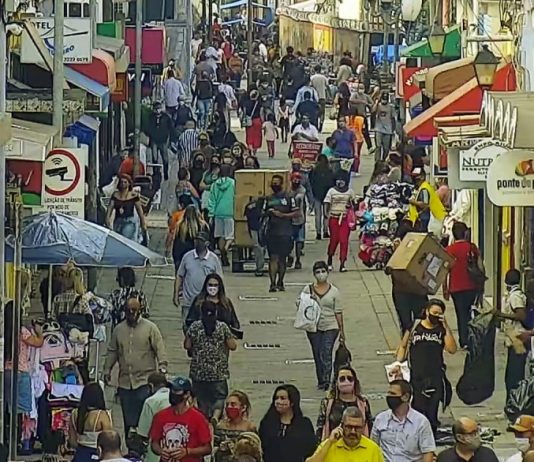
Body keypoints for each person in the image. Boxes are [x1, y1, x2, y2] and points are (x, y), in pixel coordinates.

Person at [103, 297, 168, 438]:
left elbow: (159, 348)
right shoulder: (118, 330)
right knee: (128, 419)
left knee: (143, 417)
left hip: (144, 381)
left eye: (134, 310)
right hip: (125, 382)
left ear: (140, 311)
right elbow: (112, 351)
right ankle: (131, 447)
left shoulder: (150, 328)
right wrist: (107, 369)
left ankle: (143, 445)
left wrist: (162, 366)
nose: (131, 313)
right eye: (128, 311)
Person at [396, 299, 457, 433]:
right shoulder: (415, 326)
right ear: (427, 311)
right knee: (417, 406)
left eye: (439, 314)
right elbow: (403, 345)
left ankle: (431, 433)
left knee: (432, 408)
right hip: (417, 375)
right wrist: (398, 363)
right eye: (434, 312)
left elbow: (452, 349)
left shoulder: (441, 330)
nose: (436, 316)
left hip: (435, 375)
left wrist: (446, 327)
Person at [185, 301, 238, 421]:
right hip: (218, 372)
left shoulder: (194, 327)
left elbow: (187, 345)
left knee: (202, 399)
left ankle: (204, 419)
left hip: (199, 372)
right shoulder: (222, 327)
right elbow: (233, 346)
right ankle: (215, 416)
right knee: (219, 397)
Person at [300, 260, 344, 389]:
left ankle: (326, 380)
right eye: (318, 272)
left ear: (327, 272)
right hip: (313, 326)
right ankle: (321, 379)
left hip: (331, 326)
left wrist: (342, 331)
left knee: (326, 352)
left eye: (323, 271)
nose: (321, 274)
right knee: (317, 353)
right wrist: (309, 300)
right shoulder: (308, 289)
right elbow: (300, 304)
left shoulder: (334, 291)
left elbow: (338, 312)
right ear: (314, 274)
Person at [149, 376, 212, 461]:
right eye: (171, 390)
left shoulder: (198, 418)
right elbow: (154, 443)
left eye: (176, 391)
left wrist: (187, 451)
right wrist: (161, 451)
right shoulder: (160, 416)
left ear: (187, 394)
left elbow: (207, 448)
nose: (172, 393)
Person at [371, 380, 436, 461]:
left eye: (393, 394)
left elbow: (428, 452)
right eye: (388, 393)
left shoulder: (421, 422)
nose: (388, 396)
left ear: (405, 397)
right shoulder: (380, 419)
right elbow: (373, 447)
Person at [443, 221, 484, 349]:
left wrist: (445, 288)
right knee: (471, 312)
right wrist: (481, 284)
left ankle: (464, 340)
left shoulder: (449, 250)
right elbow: (480, 267)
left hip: (456, 287)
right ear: (465, 233)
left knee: (461, 314)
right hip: (472, 286)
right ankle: (473, 336)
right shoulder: (472, 247)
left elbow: (445, 270)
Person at [174, 230, 223, 328]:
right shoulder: (187, 257)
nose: (197, 243)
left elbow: (219, 279)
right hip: (188, 301)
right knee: (187, 327)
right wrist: (175, 294)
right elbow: (180, 276)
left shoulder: (213, 259)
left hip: (206, 302)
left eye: (201, 241)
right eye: (196, 240)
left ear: (207, 243)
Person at [494, 269, 528, 401]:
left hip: (517, 339)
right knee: (513, 374)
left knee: (513, 376)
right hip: (513, 338)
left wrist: (501, 314)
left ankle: (514, 403)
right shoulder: (514, 294)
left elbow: (520, 315)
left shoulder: (515, 296)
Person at [4, 301, 43, 417]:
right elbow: (38, 343)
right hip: (20, 373)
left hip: (6, 372)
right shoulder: (22, 331)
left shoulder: (4, 331)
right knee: (21, 411)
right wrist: (39, 332)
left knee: (7, 407)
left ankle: (7, 433)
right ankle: (17, 433)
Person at [259, 385, 316, 462]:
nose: (278, 402)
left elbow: (310, 449)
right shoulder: (267, 423)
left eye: (283, 398)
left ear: (292, 402)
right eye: (276, 398)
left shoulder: (304, 424)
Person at [263, 174, 299, 292]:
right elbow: (262, 213)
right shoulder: (268, 199)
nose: (275, 185)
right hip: (272, 232)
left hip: (285, 233)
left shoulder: (289, 198)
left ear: (282, 184)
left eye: (277, 182)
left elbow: (296, 213)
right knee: (273, 258)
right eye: (273, 183)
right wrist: (269, 212)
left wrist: (283, 215)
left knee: (282, 258)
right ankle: (272, 283)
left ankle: (280, 281)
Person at [307, 407, 383, 462]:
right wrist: (329, 442)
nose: (353, 431)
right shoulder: (328, 445)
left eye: (357, 428)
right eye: (349, 427)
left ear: (363, 427)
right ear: (341, 426)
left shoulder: (373, 449)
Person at [316, 366, 372, 440]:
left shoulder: (363, 403)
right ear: (336, 382)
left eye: (350, 378)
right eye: (342, 379)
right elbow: (320, 428)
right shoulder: (327, 403)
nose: (346, 381)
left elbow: (370, 426)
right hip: (333, 446)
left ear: (355, 382)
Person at [68, 382, 113, 462]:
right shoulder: (102, 415)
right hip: (97, 456)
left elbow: (72, 442)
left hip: (79, 455)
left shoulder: (74, 414)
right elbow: (109, 442)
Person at [324, 171, 357, 272]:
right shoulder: (331, 191)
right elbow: (326, 202)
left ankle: (342, 263)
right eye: (338, 180)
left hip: (345, 219)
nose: (340, 182)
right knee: (334, 240)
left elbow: (355, 205)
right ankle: (330, 259)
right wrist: (326, 214)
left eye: (342, 180)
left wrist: (350, 206)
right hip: (334, 218)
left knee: (344, 241)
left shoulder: (350, 192)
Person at [214, 391, 257, 462]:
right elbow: (214, 449)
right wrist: (220, 448)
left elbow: (255, 451)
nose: (229, 407)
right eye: (227, 404)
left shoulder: (250, 428)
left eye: (233, 404)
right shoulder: (221, 426)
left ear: (243, 408)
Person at [137, 372, 170, 462]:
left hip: (158, 450)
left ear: (151, 386)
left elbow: (143, 432)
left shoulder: (151, 401)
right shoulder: (177, 397)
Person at [208, 164, 236, 267]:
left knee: (220, 235)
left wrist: (211, 214)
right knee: (230, 235)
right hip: (230, 212)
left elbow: (212, 200)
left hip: (218, 213)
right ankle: (226, 248)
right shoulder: (233, 184)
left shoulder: (215, 185)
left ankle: (222, 251)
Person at [105, 174, 147, 241]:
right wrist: (107, 220)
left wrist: (143, 224)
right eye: (121, 182)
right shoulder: (115, 195)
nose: (123, 184)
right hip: (118, 221)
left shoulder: (133, 196)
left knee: (126, 239)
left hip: (129, 221)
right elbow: (110, 208)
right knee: (118, 241)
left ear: (129, 184)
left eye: (125, 182)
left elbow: (140, 211)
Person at [407, 168, 447, 232]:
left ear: (422, 177)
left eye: (416, 177)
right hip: (431, 218)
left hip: (432, 219)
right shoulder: (423, 187)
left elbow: (424, 204)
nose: (415, 179)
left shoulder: (424, 188)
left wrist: (412, 201)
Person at [146, 101, 174, 180]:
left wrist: (169, 138)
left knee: (165, 158)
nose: (158, 110)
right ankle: (156, 173)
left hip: (163, 140)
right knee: (154, 158)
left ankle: (165, 173)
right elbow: (148, 127)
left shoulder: (166, 117)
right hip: (154, 140)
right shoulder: (151, 117)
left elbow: (170, 128)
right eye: (156, 109)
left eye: (159, 108)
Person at [309, 155, 334, 239]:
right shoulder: (330, 171)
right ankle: (326, 231)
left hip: (316, 195)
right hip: (327, 195)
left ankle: (318, 233)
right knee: (326, 214)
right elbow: (332, 183)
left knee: (318, 215)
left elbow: (311, 182)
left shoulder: (314, 171)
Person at [289, 172, 306, 270]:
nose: (296, 181)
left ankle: (298, 260)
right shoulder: (287, 189)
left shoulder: (301, 190)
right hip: (289, 219)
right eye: (294, 179)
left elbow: (299, 198)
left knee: (299, 240)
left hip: (299, 218)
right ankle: (290, 256)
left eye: (298, 179)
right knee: (289, 240)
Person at [349, 83, 374, 151]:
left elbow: (371, 103)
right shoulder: (355, 95)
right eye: (360, 88)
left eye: (362, 88)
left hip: (363, 116)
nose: (361, 90)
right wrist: (361, 102)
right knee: (354, 132)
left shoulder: (366, 96)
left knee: (365, 132)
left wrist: (368, 104)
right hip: (355, 116)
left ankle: (370, 147)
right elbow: (351, 100)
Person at [373, 92, 396, 160]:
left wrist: (393, 129)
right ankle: (377, 161)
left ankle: (384, 160)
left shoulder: (391, 107)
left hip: (388, 130)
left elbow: (393, 118)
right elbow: (373, 111)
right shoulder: (378, 106)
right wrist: (376, 102)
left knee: (386, 148)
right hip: (378, 129)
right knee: (378, 146)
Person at [243, 90, 263, 154]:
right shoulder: (259, 104)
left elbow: (244, 113)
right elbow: (261, 113)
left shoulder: (246, 103)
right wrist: (262, 121)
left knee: (249, 135)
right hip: (257, 120)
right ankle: (255, 150)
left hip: (249, 121)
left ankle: (250, 148)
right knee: (257, 136)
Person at [310, 65, 328, 131]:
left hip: (314, 98)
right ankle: (321, 125)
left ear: (314, 70)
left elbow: (310, 86)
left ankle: (315, 126)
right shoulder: (324, 78)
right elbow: (327, 86)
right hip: (322, 97)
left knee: (315, 112)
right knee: (322, 112)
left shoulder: (312, 78)